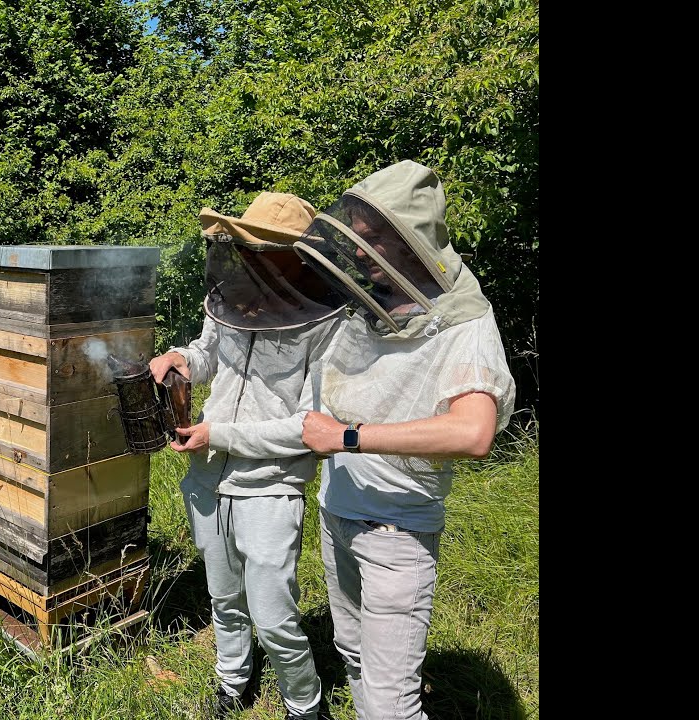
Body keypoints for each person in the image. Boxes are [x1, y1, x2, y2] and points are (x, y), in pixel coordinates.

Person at [293, 160, 516, 720]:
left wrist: (346, 437)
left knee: (392, 705)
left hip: (398, 531)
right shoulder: (369, 305)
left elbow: (473, 431)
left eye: (373, 241)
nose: (361, 253)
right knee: (352, 652)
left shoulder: (465, 324)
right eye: (357, 239)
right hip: (337, 512)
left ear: (410, 243)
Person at [151, 191, 347, 720]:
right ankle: (232, 681)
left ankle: (305, 703)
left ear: (295, 256)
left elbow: (309, 428)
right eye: (245, 246)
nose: (250, 256)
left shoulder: (327, 320)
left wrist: (220, 434)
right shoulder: (230, 292)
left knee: (275, 614)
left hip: (270, 484)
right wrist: (181, 359)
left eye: (263, 250)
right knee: (223, 596)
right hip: (208, 476)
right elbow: (208, 352)